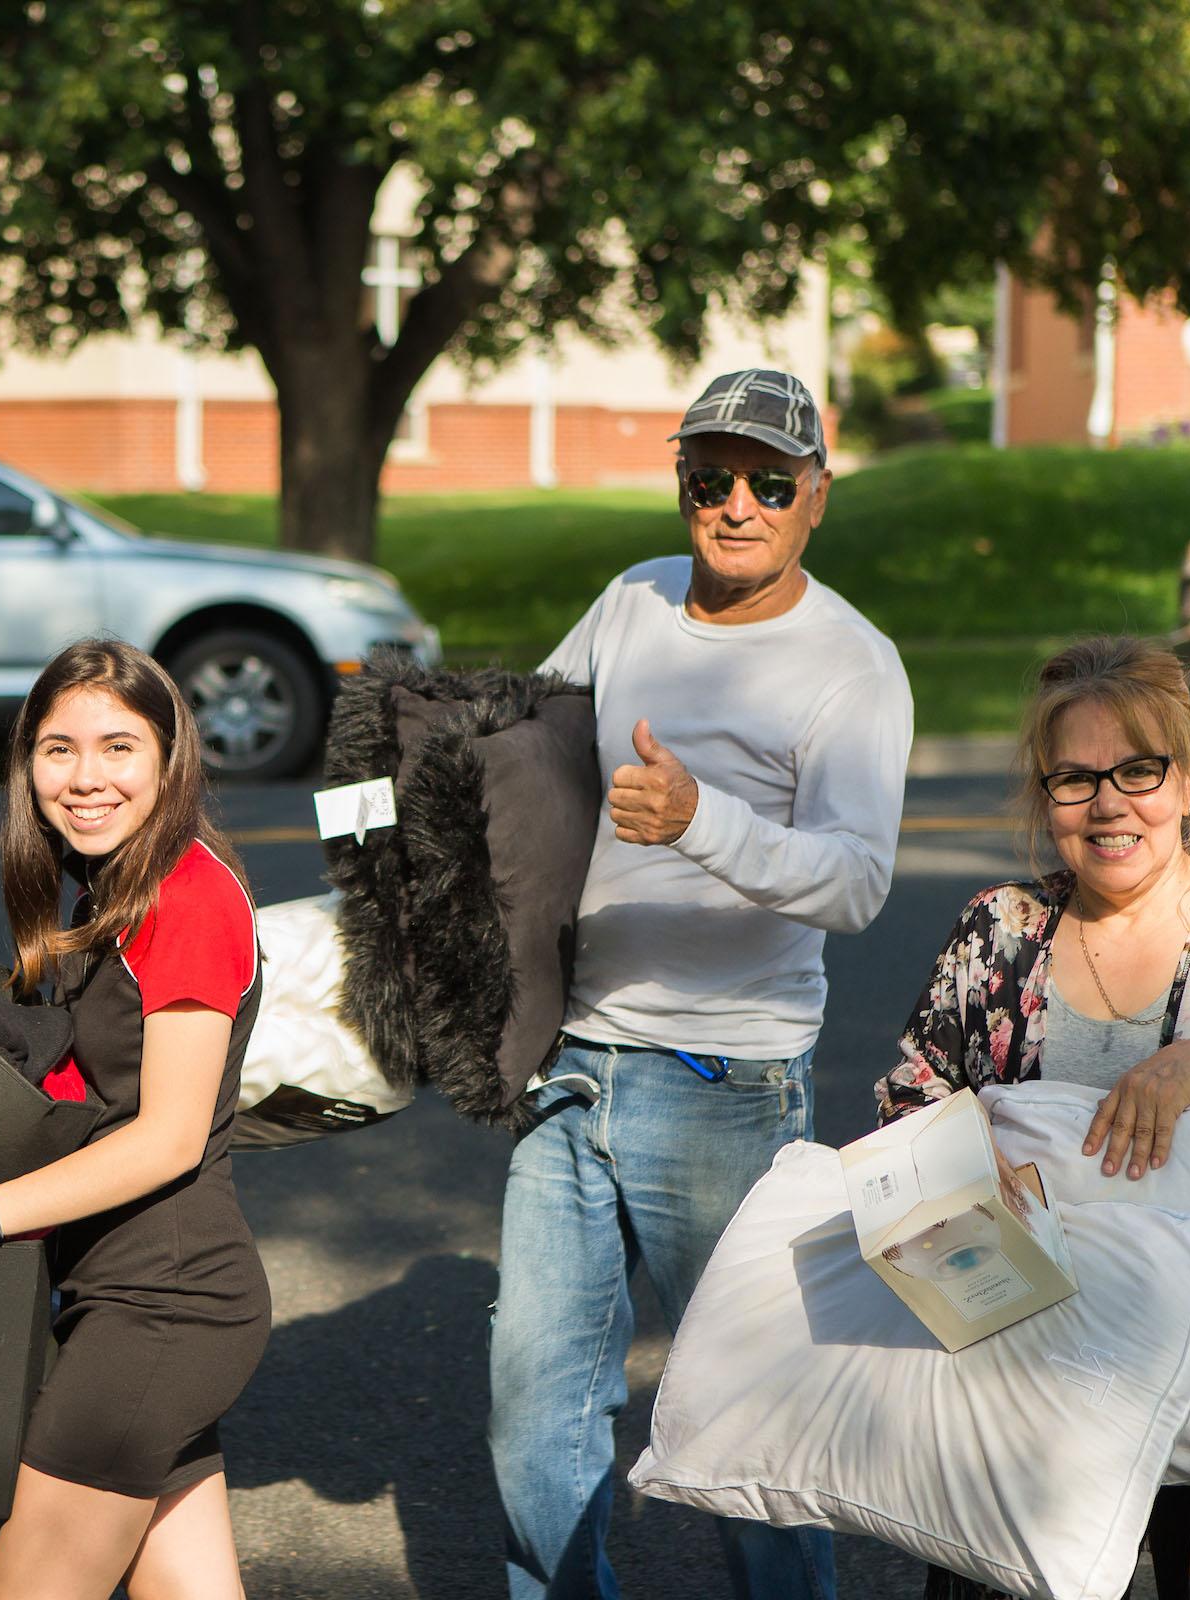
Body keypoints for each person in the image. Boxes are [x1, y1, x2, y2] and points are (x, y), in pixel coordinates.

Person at [492, 367, 911, 1600]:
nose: (737, 505)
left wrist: (698, 820)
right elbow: (536, 747)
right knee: (533, 1407)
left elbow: (857, 884)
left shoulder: (851, 663)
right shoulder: (629, 600)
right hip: (570, 1063)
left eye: (770, 482)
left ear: (816, 497)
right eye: (709, 477)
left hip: (724, 1084)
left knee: (746, 1426)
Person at [878, 636, 1190, 1600]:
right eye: (1073, 779)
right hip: (1033, 1384)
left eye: (1138, 770)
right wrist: (968, 1165)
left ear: (1187, 781)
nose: (1108, 804)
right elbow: (905, 1111)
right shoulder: (998, 933)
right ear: (1044, 797)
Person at [0, 638, 270, 1600]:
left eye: (118, 747)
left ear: (170, 758)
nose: (85, 778)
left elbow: (166, 1137)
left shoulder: (187, 897)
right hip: (135, 1298)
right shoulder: (113, 889)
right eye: (58, 749)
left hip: (163, 1308)